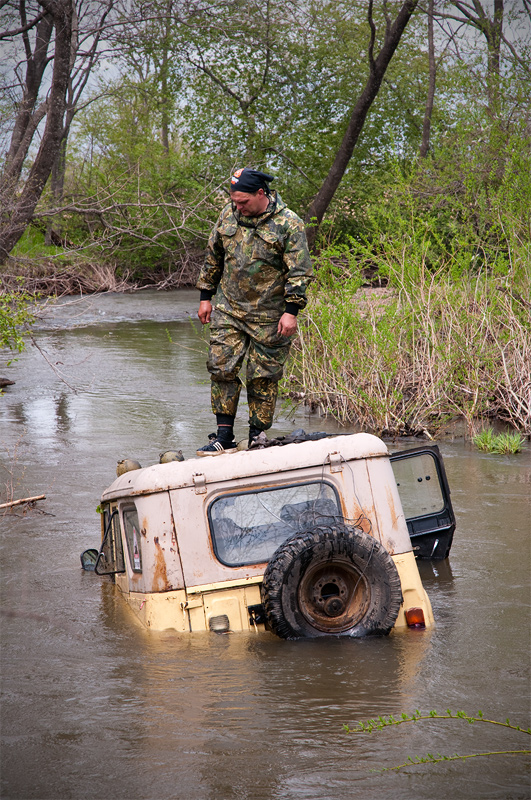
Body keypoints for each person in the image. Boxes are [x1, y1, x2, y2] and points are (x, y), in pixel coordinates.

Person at [196, 167, 313, 456]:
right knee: (221, 368)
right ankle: (224, 437)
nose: (238, 207)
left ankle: (256, 437)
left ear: (261, 194)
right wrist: (205, 296)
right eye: (234, 201)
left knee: (263, 377)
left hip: (270, 315)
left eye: (243, 201)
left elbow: (299, 272)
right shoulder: (228, 214)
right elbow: (214, 256)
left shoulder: (289, 224)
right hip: (228, 309)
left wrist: (291, 311)